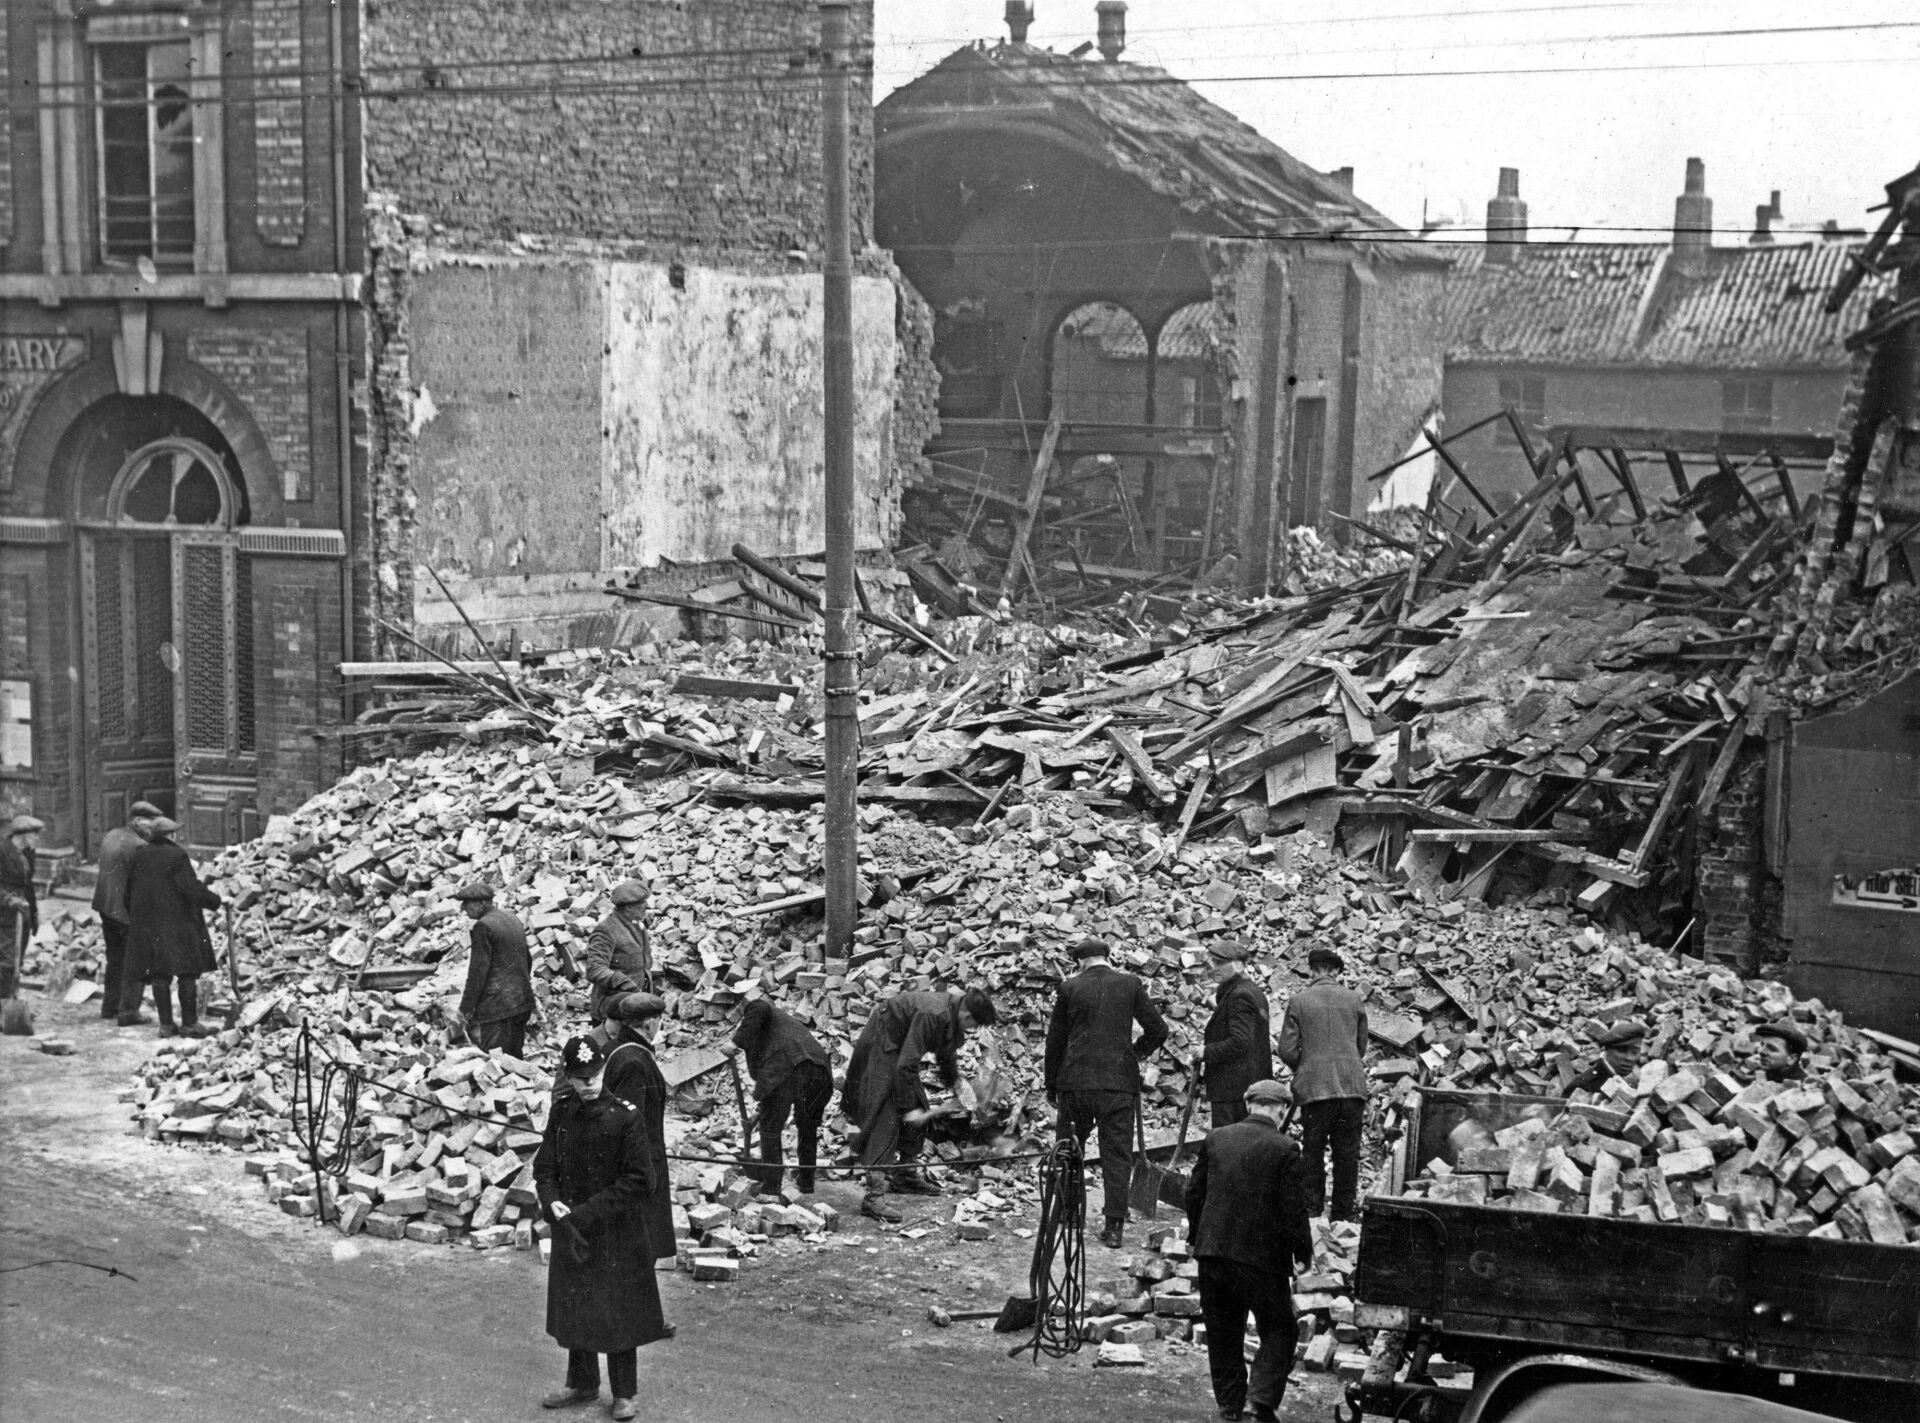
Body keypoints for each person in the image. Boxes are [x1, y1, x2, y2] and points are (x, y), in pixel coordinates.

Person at [533, 1035, 670, 1419]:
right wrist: (551, 1200)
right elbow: (544, 1167)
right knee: (577, 1306)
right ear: (569, 1077)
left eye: (594, 1075)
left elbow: (640, 1180)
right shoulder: (562, 1113)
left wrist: (585, 1213)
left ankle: (624, 1393)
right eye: (580, 1078)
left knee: (618, 1311)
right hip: (573, 1229)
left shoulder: (626, 1116)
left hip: (616, 1231)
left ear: (604, 1070)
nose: (589, 1084)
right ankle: (581, 1382)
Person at [1185, 1078, 1314, 1423]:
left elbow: (1194, 1194)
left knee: (1223, 1332)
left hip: (1213, 1254)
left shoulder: (1216, 1138)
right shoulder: (1286, 1147)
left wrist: (1196, 1237)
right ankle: (1259, 1402)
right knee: (1280, 1329)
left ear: (1248, 1105)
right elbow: (1294, 1209)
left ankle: (1230, 1407)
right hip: (1261, 1262)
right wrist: (1302, 1253)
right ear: (1281, 1110)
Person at [1043, 935, 1169, 1249]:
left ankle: (1069, 1215)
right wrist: (1134, 1053)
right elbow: (1159, 1029)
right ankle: (1114, 1228)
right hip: (1118, 1085)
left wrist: (1051, 1085)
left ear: (1080, 961)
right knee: (1117, 1155)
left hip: (1076, 1084)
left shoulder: (1069, 988)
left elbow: (1055, 1041)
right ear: (1107, 957)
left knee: (1070, 1150)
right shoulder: (1130, 984)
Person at [841, 985, 997, 1222]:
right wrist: (909, 1109)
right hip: (882, 1041)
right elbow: (906, 1064)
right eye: (974, 1025)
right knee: (885, 1114)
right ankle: (874, 1196)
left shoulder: (952, 1014)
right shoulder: (932, 1014)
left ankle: (905, 1175)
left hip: (900, 1048)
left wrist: (956, 1087)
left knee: (919, 1103)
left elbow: (945, 1055)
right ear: (967, 1015)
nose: (973, 1030)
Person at [1277, 946, 1370, 1221]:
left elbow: (1286, 1049)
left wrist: (1306, 1065)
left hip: (1315, 1090)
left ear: (1312, 970)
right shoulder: (1354, 1000)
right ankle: (1343, 1216)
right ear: (1336, 971)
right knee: (1347, 1154)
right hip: (1351, 1087)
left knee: (1313, 1152)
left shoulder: (1299, 1001)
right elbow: (1361, 1046)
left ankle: (1312, 1213)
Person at [726, 995, 833, 1196]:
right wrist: (756, 1116)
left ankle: (771, 1187)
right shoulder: (781, 1027)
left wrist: (734, 1043)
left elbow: (760, 1007)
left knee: (770, 1129)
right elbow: (773, 1093)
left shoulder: (758, 1007)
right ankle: (806, 1183)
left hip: (789, 1066)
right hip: (818, 1071)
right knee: (807, 1128)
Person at [125, 817, 221, 1038]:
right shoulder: (177, 855)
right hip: (178, 925)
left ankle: (166, 1025)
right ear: (171, 835)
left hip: (149, 926)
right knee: (186, 973)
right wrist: (216, 901)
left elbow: (129, 892)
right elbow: (190, 888)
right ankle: (189, 1024)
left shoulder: (139, 855)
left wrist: (138, 918)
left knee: (160, 975)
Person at [1193, 940, 1272, 1128]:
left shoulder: (1239, 995)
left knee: (1229, 1142)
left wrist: (1206, 1051)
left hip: (1234, 1092)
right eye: (1213, 961)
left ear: (1238, 965)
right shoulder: (1251, 991)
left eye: (1220, 962)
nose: (1213, 967)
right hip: (1246, 1088)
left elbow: (1240, 1042)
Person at [96, 801, 162, 1025]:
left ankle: (110, 1007)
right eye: (151, 822)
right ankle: (129, 1012)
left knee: (115, 959)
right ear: (138, 821)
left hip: (106, 907)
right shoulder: (139, 846)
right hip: (126, 913)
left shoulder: (111, 835)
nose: (153, 827)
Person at [449, 883, 534, 1056]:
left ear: (482, 903)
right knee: (515, 1058)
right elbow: (527, 959)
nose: (463, 907)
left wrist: (465, 1009)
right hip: (521, 1002)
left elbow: (477, 974)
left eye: (467, 903)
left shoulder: (483, 926)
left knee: (496, 1062)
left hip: (497, 1009)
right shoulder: (512, 918)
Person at [583, 879, 653, 1022]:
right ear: (628, 907)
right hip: (612, 1012)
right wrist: (623, 981)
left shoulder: (637, 925)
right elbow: (594, 969)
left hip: (635, 1007)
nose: (646, 906)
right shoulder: (606, 930)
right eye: (642, 903)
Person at [0, 814, 44, 1002]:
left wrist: (34, 913)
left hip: (23, 912)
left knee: (18, 960)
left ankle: (12, 1000)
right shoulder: (2, 851)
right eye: (34, 834)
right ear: (23, 834)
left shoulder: (27, 853)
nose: (37, 838)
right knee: (7, 962)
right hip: (5, 915)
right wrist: (9, 899)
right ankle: (3, 1003)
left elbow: (28, 885)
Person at [1566, 1020, 1647, 1096]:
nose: (1629, 1058)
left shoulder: (1638, 1082)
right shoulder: (1583, 1086)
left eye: (1635, 1052)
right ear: (1605, 1049)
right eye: (1622, 1050)